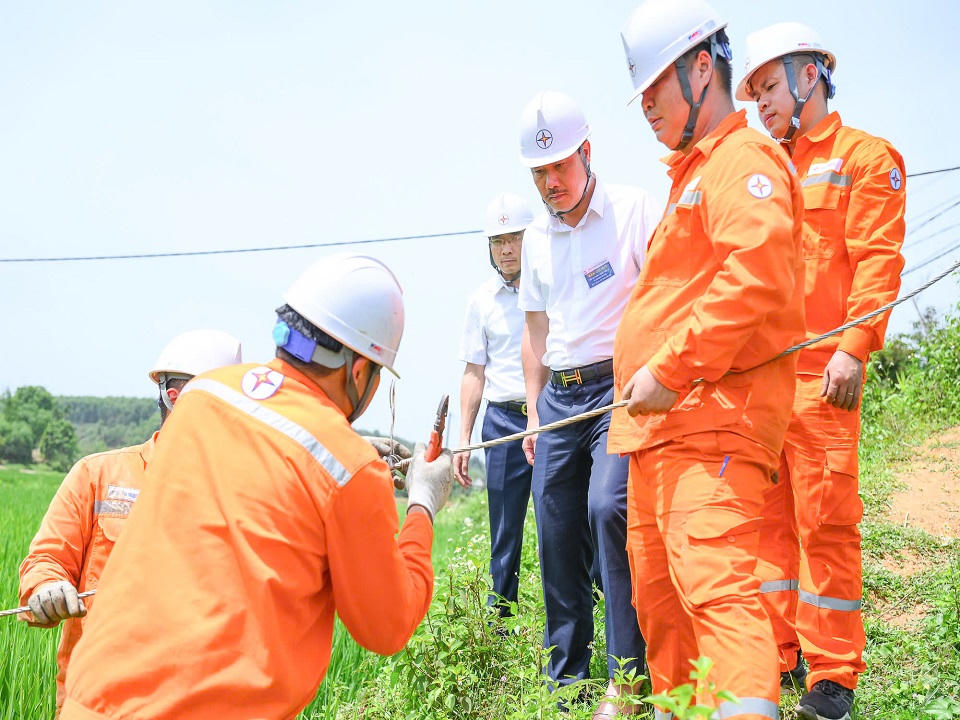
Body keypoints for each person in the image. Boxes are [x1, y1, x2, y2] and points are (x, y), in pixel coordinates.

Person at [58, 254, 454, 720]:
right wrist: (423, 502)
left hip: (91, 701)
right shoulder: (349, 468)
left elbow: (256, 466)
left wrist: (338, 453)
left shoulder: (202, 396)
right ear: (360, 370)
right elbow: (386, 627)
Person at [611, 1, 807, 718]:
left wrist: (666, 370)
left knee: (716, 590)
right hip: (656, 435)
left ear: (701, 68)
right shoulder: (689, 175)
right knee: (662, 613)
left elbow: (755, 268)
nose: (645, 108)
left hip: (711, 423)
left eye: (654, 88)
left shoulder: (741, 159)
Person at [738, 22, 906, 720]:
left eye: (770, 88)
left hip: (822, 381)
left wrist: (854, 345)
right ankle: (778, 655)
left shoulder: (865, 158)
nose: (761, 106)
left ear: (810, 76)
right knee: (765, 531)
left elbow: (877, 260)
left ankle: (831, 675)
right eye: (753, 95)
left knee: (827, 526)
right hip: (762, 387)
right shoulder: (760, 169)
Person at [517, 89, 658, 717]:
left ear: (587, 154)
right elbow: (535, 335)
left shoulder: (631, 211)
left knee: (608, 508)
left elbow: (662, 294)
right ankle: (566, 676)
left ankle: (626, 678)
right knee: (552, 526)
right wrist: (531, 409)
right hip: (559, 397)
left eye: (561, 166)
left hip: (620, 390)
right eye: (540, 172)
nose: (552, 182)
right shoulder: (533, 239)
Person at [18, 329, 243, 716]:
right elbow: (46, 561)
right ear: (178, 398)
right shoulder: (98, 475)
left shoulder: (244, 492)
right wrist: (48, 587)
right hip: (97, 706)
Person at [455, 192, 536, 617]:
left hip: (552, 418)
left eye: (515, 238)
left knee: (570, 525)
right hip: (502, 422)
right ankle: (499, 627)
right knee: (504, 532)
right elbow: (474, 373)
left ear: (531, 238)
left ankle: (586, 620)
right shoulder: (481, 301)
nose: (506, 249)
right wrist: (464, 438)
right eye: (497, 241)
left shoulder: (552, 287)